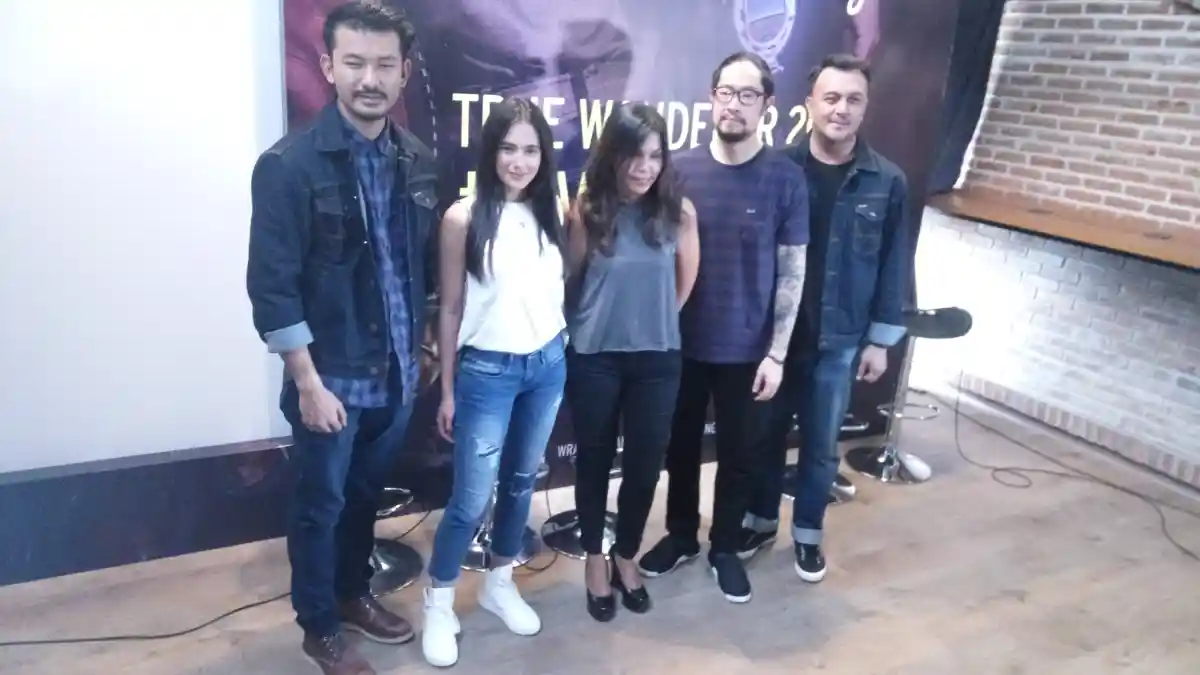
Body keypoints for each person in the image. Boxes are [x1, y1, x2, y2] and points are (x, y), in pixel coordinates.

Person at [246, 4, 437, 675]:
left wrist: (425, 347)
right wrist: (306, 382)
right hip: (329, 380)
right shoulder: (288, 166)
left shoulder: (417, 159)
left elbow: (421, 265)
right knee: (319, 507)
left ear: (404, 72)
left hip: (395, 376)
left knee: (363, 497)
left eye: (384, 64)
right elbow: (272, 287)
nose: (370, 79)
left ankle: (353, 594)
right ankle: (319, 626)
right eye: (355, 62)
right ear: (328, 66)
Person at [637, 52, 809, 604]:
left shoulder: (786, 178)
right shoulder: (679, 170)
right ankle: (681, 535)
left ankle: (725, 548)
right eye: (726, 92)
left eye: (748, 94)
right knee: (680, 448)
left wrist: (777, 353)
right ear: (712, 97)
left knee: (738, 455)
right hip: (681, 344)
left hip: (749, 350)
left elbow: (793, 270)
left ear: (767, 105)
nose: (734, 104)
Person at [738, 54, 910, 583]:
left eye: (853, 99)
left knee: (818, 448)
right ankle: (760, 522)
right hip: (775, 342)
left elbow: (895, 262)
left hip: (839, 342)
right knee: (764, 440)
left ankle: (808, 535)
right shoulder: (777, 170)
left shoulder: (887, 181)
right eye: (831, 97)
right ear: (809, 103)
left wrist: (881, 340)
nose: (841, 109)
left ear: (865, 107)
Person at [421, 97, 567, 668]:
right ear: (490, 151)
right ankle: (439, 602)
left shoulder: (555, 211)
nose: (519, 161)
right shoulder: (462, 218)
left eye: (530, 150)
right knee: (470, 498)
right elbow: (450, 307)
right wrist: (447, 389)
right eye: (508, 148)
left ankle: (499, 582)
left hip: (546, 366)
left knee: (520, 485)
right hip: (487, 371)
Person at [563, 103, 700, 622]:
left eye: (655, 156)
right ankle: (594, 560)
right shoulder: (587, 210)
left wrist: (651, 321)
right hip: (595, 355)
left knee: (644, 465)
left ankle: (626, 554)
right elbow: (571, 279)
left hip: (657, 358)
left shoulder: (678, 213)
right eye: (634, 155)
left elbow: (684, 284)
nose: (644, 167)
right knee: (594, 461)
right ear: (612, 155)